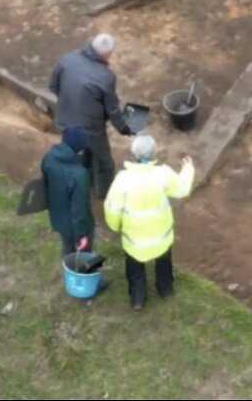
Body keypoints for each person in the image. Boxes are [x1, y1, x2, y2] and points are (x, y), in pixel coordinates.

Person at [104, 136, 195, 310]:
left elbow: (112, 209)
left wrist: (116, 227)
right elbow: (182, 188)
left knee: (135, 269)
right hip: (161, 237)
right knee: (164, 265)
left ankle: (138, 299)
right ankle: (165, 290)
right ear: (154, 154)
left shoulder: (123, 180)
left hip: (134, 241)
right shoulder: (163, 174)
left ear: (134, 154)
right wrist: (188, 168)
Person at [49, 33, 133, 201]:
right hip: (91, 128)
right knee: (104, 163)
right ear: (106, 54)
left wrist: (70, 103)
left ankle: (81, 180)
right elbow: (112, 109)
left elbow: (53, 86)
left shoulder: (67, 59)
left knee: (79, 152)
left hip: (65, 121)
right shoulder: (106, 77)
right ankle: (104, 194)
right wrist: (124, 128)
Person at [42, 126, 96, 257]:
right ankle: (82, 276)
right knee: (83, 255)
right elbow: (79, 209)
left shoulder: (49, 158)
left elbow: (45, 184)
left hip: (58, 217)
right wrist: (81, 235)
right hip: (76, 225)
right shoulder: (79, 174)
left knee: (67, 247)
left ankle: (68, 272)